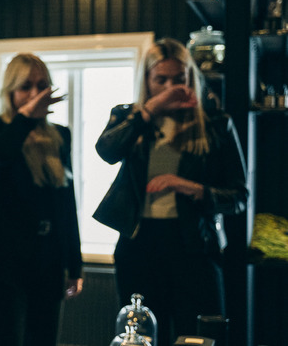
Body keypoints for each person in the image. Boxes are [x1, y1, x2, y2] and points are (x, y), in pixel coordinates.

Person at [93, 38, 247, 346]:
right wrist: (150, 109)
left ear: (192, 77)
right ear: (146, 82)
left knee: (197, 337)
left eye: (179, 78)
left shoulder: (217, 124)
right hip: (139, 246)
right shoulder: (129, 118)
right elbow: (107, 151)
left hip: (194, 247)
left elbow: (239, 198)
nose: (170, 86)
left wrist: (192, 188)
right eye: (160, 79)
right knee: (141, 337)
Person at [0, 53, 83, 345]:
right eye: (25, 87)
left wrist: (75, 264)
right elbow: (0, 154)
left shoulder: (59, 135)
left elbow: (65, 201)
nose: (35, 94)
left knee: (43, 338)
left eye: (41, 86)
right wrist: (26, 117)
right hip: (2, 258)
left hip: (48, 255)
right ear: (10, 91)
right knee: (2, 338)